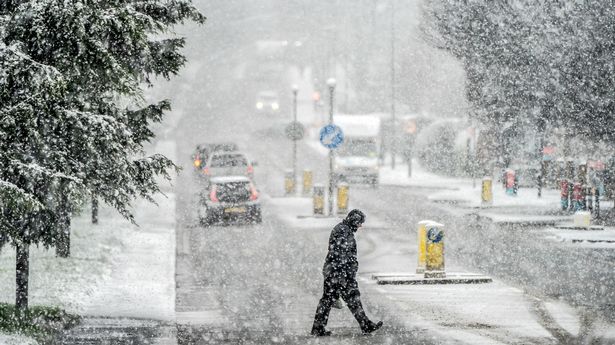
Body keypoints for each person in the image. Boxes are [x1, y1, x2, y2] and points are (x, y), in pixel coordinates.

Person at [311, 209, 383, 336]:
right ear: (354, 221)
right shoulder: (344, 232)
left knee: (329, 300)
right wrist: (347, 275)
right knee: (350, 299)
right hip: (339, 274)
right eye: (360, 223)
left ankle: (318, 328)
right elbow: (342, 256)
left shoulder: (343, 230)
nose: (361, 225)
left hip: (334, 272)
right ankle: (365, 325)